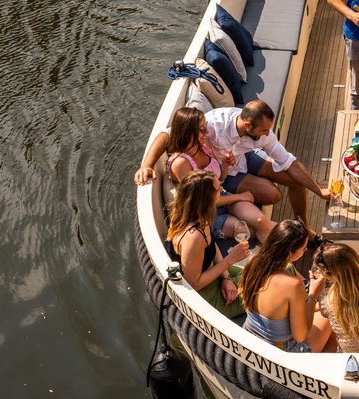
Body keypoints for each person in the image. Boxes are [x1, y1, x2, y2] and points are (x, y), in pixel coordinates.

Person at [135, 101, 332, 244]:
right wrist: (147, 165)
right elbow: (166, 135)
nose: (267, 135)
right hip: (222, 184)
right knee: (273, 195)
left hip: (239, 162)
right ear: (248, 125)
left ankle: (305, 229)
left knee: (296, 181)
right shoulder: (211, 125)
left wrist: (319, 190)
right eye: (263, 131)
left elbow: (289, 161)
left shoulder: (207, 144)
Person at [165, 107, 275, 242]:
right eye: (201, 129)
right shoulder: (180, 163)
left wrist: (224, 165)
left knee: (260, 221)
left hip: (222, 196)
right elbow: (203, 201)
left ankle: (296, 238)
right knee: (249, 230)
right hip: (206, 213)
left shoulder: (204, 145)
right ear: (188, 131)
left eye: (205, 127)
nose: (206, 132)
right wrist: (240, 196)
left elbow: (221, 178)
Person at [166, 171, 250, 317]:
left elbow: (210, 243)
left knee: (271, 267)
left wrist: (226, 277)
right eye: (217, 189)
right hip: (210, 299)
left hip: (217, 276)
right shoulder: (194, 237)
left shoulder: (191, 216)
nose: (222, 190)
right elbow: (194, 283)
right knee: (275, 280)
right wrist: (230, 260)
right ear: (206, 199)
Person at [238, 219, 328, 353]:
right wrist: (313, 295)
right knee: (332, 314)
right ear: (290, 252)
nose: (305, 250)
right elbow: (300, 336)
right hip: (280, 350)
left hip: (250, 335)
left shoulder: (254, 262)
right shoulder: (293, 285)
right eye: (304, 248)